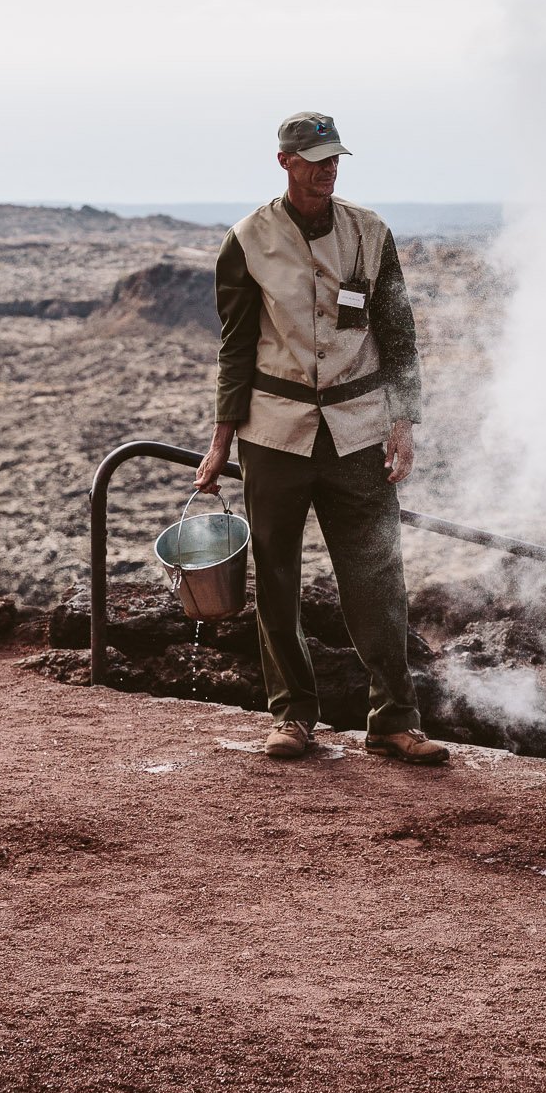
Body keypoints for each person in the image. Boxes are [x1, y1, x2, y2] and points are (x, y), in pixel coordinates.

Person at [194, 111, 449, 766]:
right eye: (316, 159)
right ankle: (292, 716)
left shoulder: (369, 233)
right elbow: (236, 348)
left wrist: (403, 421)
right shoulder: (248, 241)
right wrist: (221, 441)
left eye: (335, 158)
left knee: (377, 575)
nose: (329, 169)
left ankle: (394, 719)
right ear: (285, 162)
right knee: (276, 578)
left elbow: (397, 331)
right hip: (274, 434)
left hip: (358, 431)